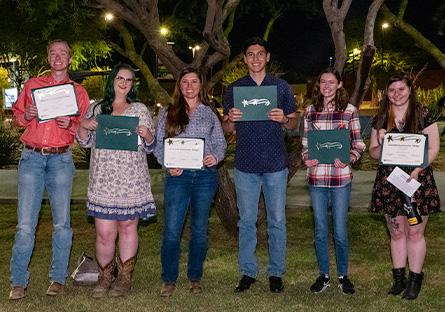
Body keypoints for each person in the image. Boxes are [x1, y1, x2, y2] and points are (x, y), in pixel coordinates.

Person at [9, 39, 90, 300]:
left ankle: (57, 279)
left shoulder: (78, 93)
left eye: (63, 53)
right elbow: (18, 119)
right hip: (31, 159)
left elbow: (83, 131)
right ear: (48, 57)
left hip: (61, 161)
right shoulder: (33, 85)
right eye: (53, 53)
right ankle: (18, 282)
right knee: (24, 225)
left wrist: (71, 123)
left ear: (70, 59)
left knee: (62, 224)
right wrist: (27, 115)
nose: (58, 57)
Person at [222, 37, 297, 293]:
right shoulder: (234, 89)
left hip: (276, 163)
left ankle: (276, 272)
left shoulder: (280, 86)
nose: (255, 58)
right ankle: (248, 272)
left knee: (277, 220)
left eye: (260, 54)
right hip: (245, 165)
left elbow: (294, 123)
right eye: (250, 54)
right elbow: (226, 128)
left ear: (267, 57)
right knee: (247, 222)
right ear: (244, 59)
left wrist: (284, 118)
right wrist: (230, 119)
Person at [76, 63, 156, 298]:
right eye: (120, 78)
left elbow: (151, 146)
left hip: (131, 181)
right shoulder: (97, 108)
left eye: (129, 80)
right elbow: (83, 141)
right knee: (104, 232)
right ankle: (104, 277)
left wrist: (147, 134)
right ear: (112, 80)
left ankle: (124, 278)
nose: (124, 83)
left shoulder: (140, 109)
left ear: (132, 85)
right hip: (103, 181)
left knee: (128, 227)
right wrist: (83, 126)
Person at [154, 67, 226, 297]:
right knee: (172, 230)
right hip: (178, 177)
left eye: (194, 81)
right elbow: (158, 145)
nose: (189, 86)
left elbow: (220, 143)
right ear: (179, 85)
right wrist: (168, 163)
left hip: (205, 176)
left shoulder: (209, 112)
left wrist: (215, 156)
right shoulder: (167, 113)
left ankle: (195, 276)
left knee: (199, 230)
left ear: (200, 85)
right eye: (185, 81)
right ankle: (169, 279)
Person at [369, 73, 440, 300]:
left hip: (417, 181)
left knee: (415, 231)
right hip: (390, 182)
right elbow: (373, 154)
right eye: (392, 90)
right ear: (386, 93)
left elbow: (433, 148)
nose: (397, 94)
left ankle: (415, 280)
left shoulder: (423, 113)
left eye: (401, 89)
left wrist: (418, 170)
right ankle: (398, 280)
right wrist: (380, 142)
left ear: (410, 90)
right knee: (397, 232)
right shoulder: (381, 117)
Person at [301, 68, 365, 295]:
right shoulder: (310, 111)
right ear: (318, 85)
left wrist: (349, 158)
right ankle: (324, 275)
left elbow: (358, 144)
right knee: (320, 230)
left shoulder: (349, 112)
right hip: (317, 178)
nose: (326, 86)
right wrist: (306, 159)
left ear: (339, 85)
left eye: (331, 82)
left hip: (340, 179)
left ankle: (343, 275)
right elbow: (306, 145)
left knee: (339, 230)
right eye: (322, 82)